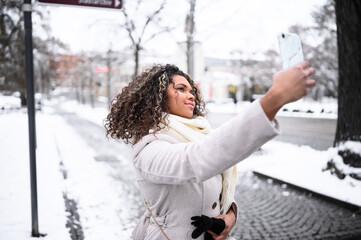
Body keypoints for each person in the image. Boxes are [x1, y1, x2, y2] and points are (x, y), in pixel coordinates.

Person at [104, 62, 315, 240]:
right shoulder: (149, 147)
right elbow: (200, 160)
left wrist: (229, 215)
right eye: (180, 89)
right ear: (157, 97)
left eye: (191, 90)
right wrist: (274, 99)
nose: (191, 95)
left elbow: (214, 183)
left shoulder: (198, 133)